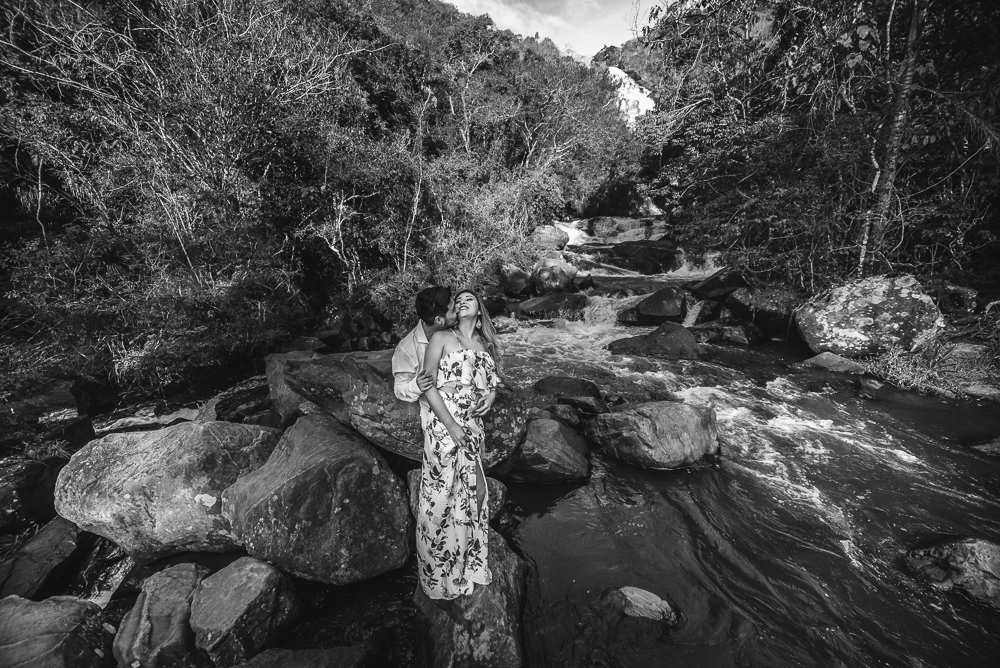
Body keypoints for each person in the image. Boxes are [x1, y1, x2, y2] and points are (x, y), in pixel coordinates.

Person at [415, 289, 501, 600]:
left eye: (469, 298)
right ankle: (437, 574)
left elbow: (492, 384)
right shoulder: (440, 338)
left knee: (472, 494)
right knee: (440, 499)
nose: (462, 301)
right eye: (458, 299)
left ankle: (466, 562)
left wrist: (490, 398)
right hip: (444, 426)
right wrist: (451, 427)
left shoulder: (486, 345)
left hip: (473, 427)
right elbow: (427, 387)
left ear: (480, 311)